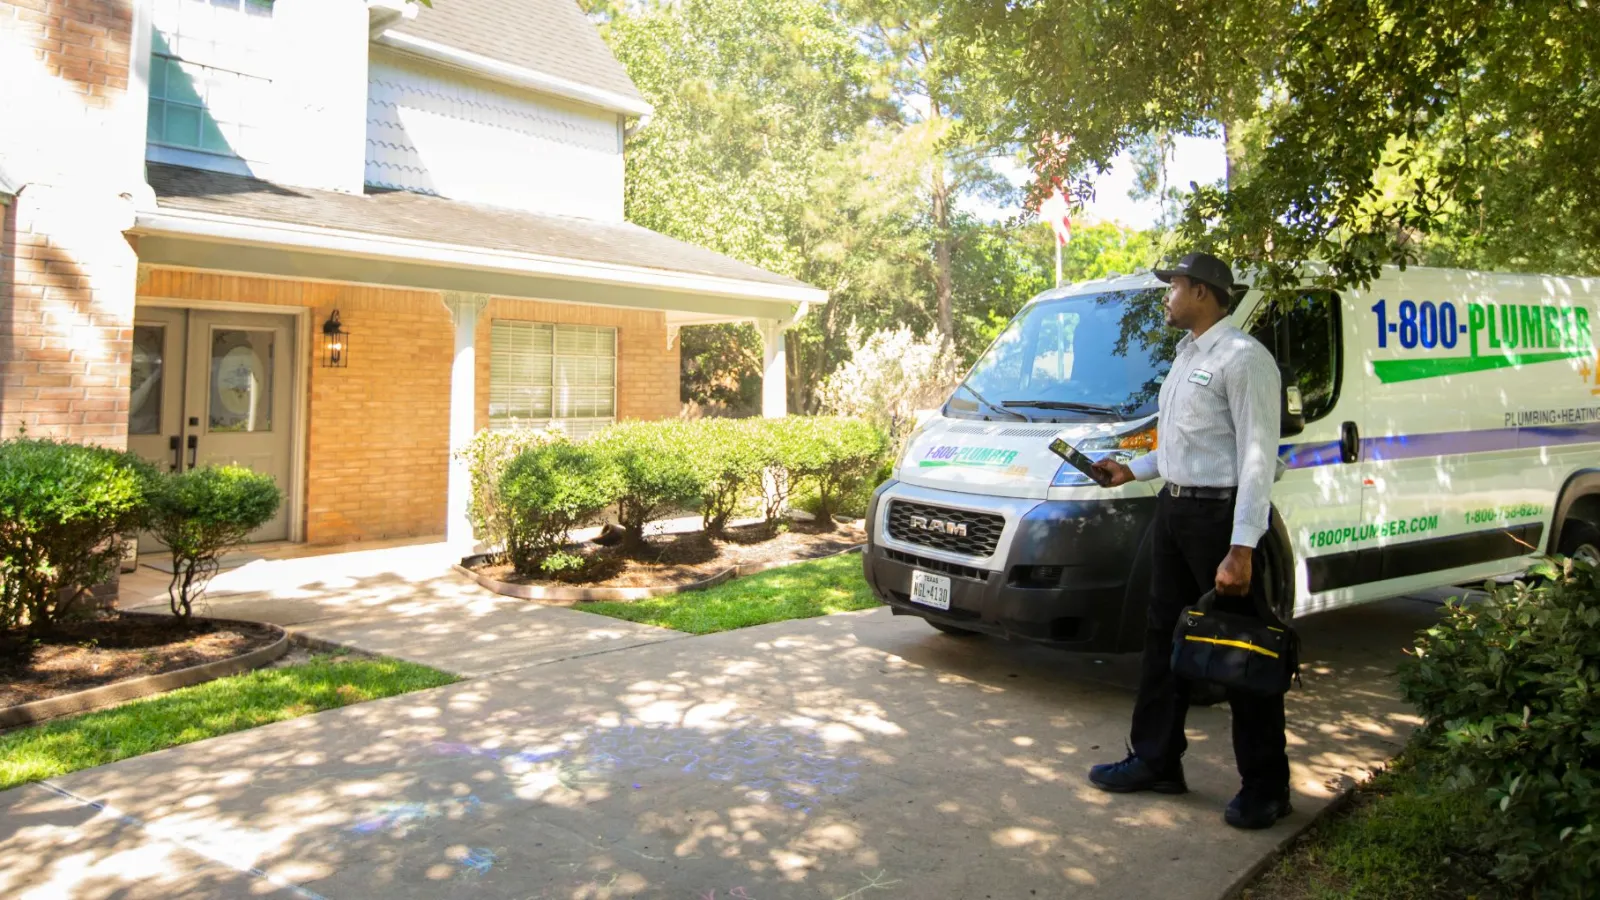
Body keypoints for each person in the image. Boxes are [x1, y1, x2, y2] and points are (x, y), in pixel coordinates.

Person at [1087, 251, 1291, 830]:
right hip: (1174, 510)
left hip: (1221, 519)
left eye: (1173, 287)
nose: (1167, 297)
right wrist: (1135, 469)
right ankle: (1155, 760)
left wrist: (1243, 546)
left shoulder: (1245, 359)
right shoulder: (1186, 357)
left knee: (1241, 648)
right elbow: (1189, 447)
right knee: (1160, 639)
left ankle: (1266, 786)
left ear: (1202, 292)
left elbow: (1256, 457)